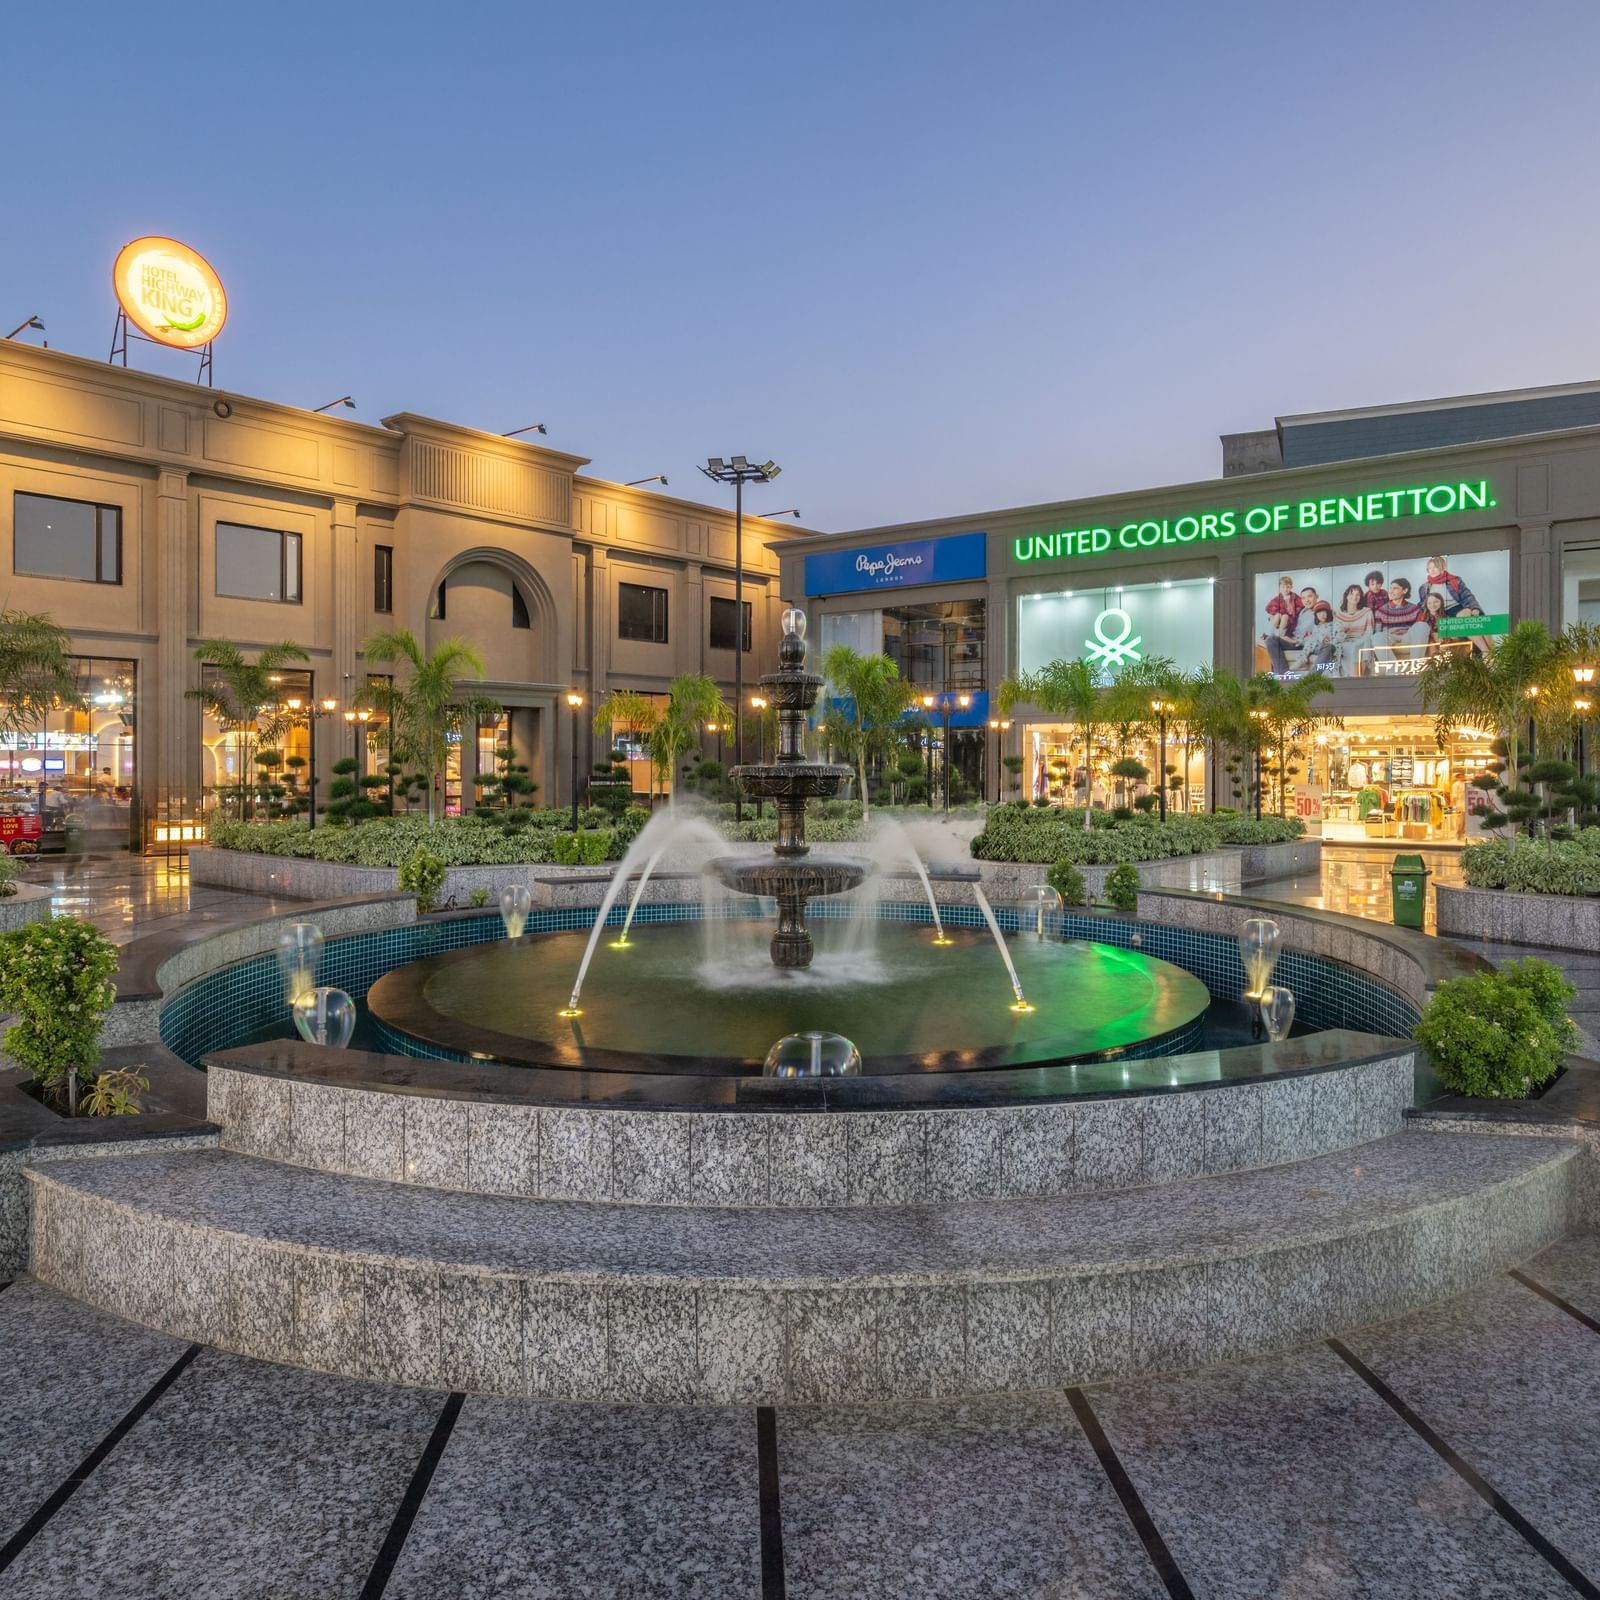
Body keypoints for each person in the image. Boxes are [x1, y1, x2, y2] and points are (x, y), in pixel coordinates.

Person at [1335, 583, 1375, 675]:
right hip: (1344, 642)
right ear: (1346, 596)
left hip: (1362, 641)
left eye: (1358, 594)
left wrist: (1357, 643)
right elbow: (1336, 633)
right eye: (1351, 594)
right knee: (1348, 647)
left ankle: (1360, 675)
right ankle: (1354, 677)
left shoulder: (1367, 612)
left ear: (1361, 597)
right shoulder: (1337, 614)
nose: (1354, 597)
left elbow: (1369, 633)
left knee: (1364, 644)